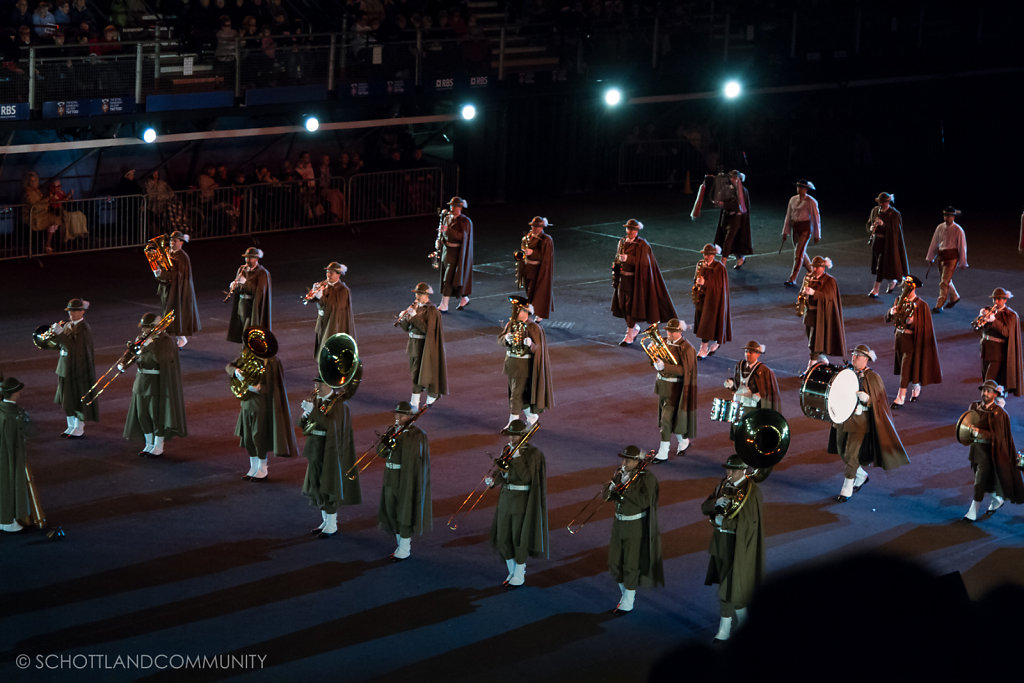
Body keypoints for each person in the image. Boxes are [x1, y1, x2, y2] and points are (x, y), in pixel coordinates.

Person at [701, 454, 768, 642]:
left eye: (733, 470)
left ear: (744, 470)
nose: (729, 473)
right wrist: (716, 504)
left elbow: (749, 525)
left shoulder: (752, 492)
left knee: (727, 589)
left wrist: (723, 521)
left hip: (739, 547)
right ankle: (746, 620)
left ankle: (724, 629)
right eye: (727, 469)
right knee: (728, 585)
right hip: (720, 543)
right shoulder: (722, 485)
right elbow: (704, 507)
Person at [829, 344, 909, 501]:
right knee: (841, 451)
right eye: (853, 355)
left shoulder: (873, 378)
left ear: (866, 359)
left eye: (857, 356)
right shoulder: (847, 372)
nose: (854, 358)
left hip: (860, 421)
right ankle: (861, 476)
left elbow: (880, 402)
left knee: (851, 454)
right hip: (843, 418)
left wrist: (868, 400)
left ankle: (847, 488)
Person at [227, 328, 298, 481]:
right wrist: (236, 371)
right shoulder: (247, 354)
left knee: (258, 436)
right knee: (248, 437)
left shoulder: (271, 361)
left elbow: (275, 386)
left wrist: (257, 389)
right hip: (246, 402)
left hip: (260, 403)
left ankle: (263, 468)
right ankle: (253, 467)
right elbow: (229, 366)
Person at [488, 419, 548, 587]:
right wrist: (494, 481)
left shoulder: (533, 454)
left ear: (523, 436)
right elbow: (502, 470)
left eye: (514, 436)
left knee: (518, 537)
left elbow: (527, 477)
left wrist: (517, 458)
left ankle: (519, 573)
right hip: (506, 497)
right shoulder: (507, 449)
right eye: (510, 435)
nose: (511, 439)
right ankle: (512, 570)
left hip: (522, 499)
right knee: (502, 537)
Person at [299, 377, 358, 538]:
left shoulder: (339, 404)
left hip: (329, 450)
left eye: (320, 383)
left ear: (329, 384)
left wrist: (313, 412)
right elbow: (303, 426)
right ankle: (325, 520)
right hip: (314, 448)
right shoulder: (317, 400)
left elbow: (330, 426)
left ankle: (332, 524)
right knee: (317, 484)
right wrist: (305, 416)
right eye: (315, 383)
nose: (316, 387)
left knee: (328, 485)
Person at [607, 445, 663, 613]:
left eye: (628, 460)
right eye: (623, 459)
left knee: (630, 563)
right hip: (619, 523)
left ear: (637, 461)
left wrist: (625, 490)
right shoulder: (620, 473)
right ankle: (625, 594)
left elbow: (645, 501)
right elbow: (605, 494)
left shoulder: (647, 478)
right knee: (614, 563)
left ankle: (628, 601)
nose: (624, 463)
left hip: (635, 525)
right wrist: (610, 490)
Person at [123, 313, 187, 457]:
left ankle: (158, 446)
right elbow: (133, 354)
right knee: (142, 415)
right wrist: (124, 363)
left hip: (156, 382)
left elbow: (161, 359)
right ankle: (149, 443)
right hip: (141, 381)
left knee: (156, 415)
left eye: (147, 328)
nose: (144, 331)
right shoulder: (142, 339)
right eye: (143, 327)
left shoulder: (165, 340)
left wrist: (150, 345)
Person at [961, 380, 1024, 522]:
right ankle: (996, 500)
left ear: (995, 394)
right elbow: (966, 422)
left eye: (989, 391)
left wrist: (980, 433)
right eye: (984, 390)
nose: (985, 393)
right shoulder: (974, 406)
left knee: (979, 482)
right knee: (986, 480)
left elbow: (999, 436)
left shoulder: (999, 414)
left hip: (990, 454)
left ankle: (973, 511)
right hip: (976, 451)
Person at [377, 401, 431, 560]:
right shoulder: (392, 430)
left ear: (410, 417)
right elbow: (380, 453)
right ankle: (400, 544)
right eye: (397, 414)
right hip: (390, 476)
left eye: (401, 415)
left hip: (404, 478)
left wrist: (398, 442)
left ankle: (405, 548)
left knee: (404, 512)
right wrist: (386, 444)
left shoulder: (417, 434)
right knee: (391, 509)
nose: (397, 417)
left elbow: (414, 457)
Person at [611, 219, 677, 346]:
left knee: (630, 306)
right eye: (628, 229)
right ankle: (634, 328)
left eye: (633, 229)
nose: (630, 231)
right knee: (622, 306)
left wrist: (629, 259)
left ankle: (629, 333)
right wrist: (616, 271)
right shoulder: (622, 242)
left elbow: (645, 263)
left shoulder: (642, 245)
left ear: (637, 231)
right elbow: (617, 258)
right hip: (622, 280)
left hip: (634, 281)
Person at [498, 296, 554, 434]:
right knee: (517, 393)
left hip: (523, 366)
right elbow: (500, 339)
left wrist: (531, 345)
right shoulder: (511, 324)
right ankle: (531, 417)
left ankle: (513, 422)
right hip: (511, 364)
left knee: (516, 395)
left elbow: (539, 349)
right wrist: (506, 338)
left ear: (525, 312)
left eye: (517, 310)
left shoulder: (534, 327)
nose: (515, 313)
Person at [884, 276, 942, 408]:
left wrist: (912, 321)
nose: (904, 289)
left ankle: (901, 397)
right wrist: (891, 312)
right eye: (904, 286)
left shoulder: (922, 305)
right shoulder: (898, 300)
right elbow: (888, 319)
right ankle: (916, 383)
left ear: (914, 287)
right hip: (899, 339)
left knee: (905, 368)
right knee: (904, 366)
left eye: (907, 287)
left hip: (911, 342)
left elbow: (923, 326)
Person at [50, 298, 98, 438]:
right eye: (70, 311)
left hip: (77, 367)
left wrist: (60, 335)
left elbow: (75, 348)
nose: (72, 313)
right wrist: (52, 337)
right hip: (65, 366)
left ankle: (79, 427)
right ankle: (70, 425)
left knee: (77, 397)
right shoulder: (68, 325)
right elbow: (61, 345)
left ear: (82, 312)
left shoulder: (84, 328)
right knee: (67, 398)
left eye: (75, 311)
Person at [395, 282, 447, 410]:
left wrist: (413, 317)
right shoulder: (415, 306)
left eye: (420, 294)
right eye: (417, 293)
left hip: (423, 346)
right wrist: (403, 319)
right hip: (412, 344)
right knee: (416, 372)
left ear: (426, 295)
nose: (417, 296)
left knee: (417, 373)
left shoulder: (432, 310)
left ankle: (415, 402)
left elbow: (427, 330)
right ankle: (430, 394)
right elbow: (407, 328)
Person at [650, 318, 697, 460]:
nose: (669, 333)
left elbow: (686, 371)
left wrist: (665, 367)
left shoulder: (687, 348)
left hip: (675, 388)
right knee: (671, 417)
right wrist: (653, 357)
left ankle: (663, 452)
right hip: (662, 385)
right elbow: (654, 360)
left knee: (665, 419)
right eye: (668, 330)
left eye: (673, 331)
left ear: (680, 332)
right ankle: (683, 441)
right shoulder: (663, 342)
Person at [724, 341, 782, 441]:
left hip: (751, 407)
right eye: (746, 351)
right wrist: (731, 384)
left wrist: (756, 396)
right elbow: (737, 383)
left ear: (758, 354)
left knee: (749, 433)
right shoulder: (740, 365)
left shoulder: (764, 370)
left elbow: (766, 391)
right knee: (737, 431)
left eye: (751, 352)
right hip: (738, 404)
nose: (747, 354)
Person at [799, 255, 847, 373]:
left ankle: (811, 365)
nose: (814, 269)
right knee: (810, 338)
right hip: (809, 313)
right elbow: (803, 292)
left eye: (817, 267)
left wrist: (814, 292)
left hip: (820, 315)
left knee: (814, 340)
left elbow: (829, 297)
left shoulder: (830, 281)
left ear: (823, 267)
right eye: (813, 267)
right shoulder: (809, 277)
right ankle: (821, 357)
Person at [154, 231, 201, 347]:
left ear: (181, 243)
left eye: (175, 241)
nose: (172, 243)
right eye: (171, 240)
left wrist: (161, 274)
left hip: (177, 289)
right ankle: (178, 337)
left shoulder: (183, 257)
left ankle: (177, 338)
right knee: (168, 311)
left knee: (173, 312)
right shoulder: (169, 253)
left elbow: (177, 275)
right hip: (168, 288)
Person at [976, 287, 1022, 397]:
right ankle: (997, 399)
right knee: (987, 379)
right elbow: (977, 327)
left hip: (997, 353)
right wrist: (981, 317)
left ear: (1005, 300)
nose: (996, 302)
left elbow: (1006, 332)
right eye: (995, 299)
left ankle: (993, 401)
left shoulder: (1011, 315)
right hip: (986, 351)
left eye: (999, 299)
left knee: (989, 381)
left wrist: (994, 321)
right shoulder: (989, 310)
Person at [0, 377, 32, 533]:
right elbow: (31, 432)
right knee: (10, 484)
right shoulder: (17, 413)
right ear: (14, 393)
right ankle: (7, 520)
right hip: (11, 454)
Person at [924, 206, 967, 313]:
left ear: (953, 217)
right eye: (945, 215)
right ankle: (955, 297)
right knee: (946, 280)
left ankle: (939, 304)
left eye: (949, 216)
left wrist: (962, 261)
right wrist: (931, 257)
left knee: (944, 282)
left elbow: (962, 246)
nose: (946, 218)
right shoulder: (940, 227)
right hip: (941, 256)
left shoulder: (958, 230)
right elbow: (934, 242)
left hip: (952, 258)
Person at [865, 192, 908, 297]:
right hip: (877, 242)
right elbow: (869, 223)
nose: (882, 204)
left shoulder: (894, 214)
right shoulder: (875, 211)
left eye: (884, 202)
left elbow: (896, 230)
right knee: (880, 265)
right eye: (880, 202)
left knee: (880, 265)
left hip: (888, 244)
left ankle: (876, 289)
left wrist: (883, 225)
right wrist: (871, 228)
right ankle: (892, 281)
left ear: (888, 202)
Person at [310, 261, 356, 359]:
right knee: (320, 347)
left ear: (338, 275)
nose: (328, 275)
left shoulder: (343, 290)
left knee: (327, 348)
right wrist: (313, 294)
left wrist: (320, 298)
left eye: (331, 273)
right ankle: (321, 370)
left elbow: (336, 306)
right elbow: (314, 299)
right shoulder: (324, 284)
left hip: (333, 324)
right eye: (327, 272)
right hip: (322, 321)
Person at [693, 243, 731, 359]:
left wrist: (705, 283)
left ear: (714, 255)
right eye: (705, 254)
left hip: (713, 301)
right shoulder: (700, 264)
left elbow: (719, 286)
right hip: (701, 299)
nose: (706, 257)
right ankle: (712, 343)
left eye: (709, 255)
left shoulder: (719, 268)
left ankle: (703, 348)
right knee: (703, 323)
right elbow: (696, 278)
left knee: (707, 323)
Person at [226, 247, 272, 344]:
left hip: (252, 306)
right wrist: (235, 285)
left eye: (250, 258)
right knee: (242, 329)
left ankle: (246, 354)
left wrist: (245, 282)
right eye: (246, 258)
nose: (248, 260)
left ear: (256, 259)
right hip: (242, 304)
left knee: (247, 332)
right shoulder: (242, 269)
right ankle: (245, 354)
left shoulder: (262, 273)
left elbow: (259, 291)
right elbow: (238, 285)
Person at [781, 179, 821, 286]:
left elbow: (816, 219)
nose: (800, 189)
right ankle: (813, 273)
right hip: (796, 229)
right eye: (798, 187)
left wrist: (817, 234)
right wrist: (785, 231)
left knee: (798, 254)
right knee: (801, 252)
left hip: (805, 229)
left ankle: (792, 278)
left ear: (806, 189)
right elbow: (788, 216)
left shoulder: (811, 201)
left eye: (802, 187)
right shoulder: (793, 200)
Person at [438, 196, 473, 312]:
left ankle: (444, 304)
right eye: (451, 206)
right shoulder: (447, 218)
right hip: (446, 251)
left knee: (448, 279)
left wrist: (447, 231)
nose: (452, 208)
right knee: (450, 277)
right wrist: (440, 240)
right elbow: (443, 234)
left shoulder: (465, 221)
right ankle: (464, 298)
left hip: (456, 254)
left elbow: (462, 237)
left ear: (460, 208)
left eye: (455, 206)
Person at [712, 170, 753, 269]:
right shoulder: (727, 189)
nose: (733, 180)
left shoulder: (743, 190)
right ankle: (740, 257)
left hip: (736, 218)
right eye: (732, 178)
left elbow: (738, 205)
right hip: (727, 217)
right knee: (732, 238)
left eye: (735, 178)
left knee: (729, 238)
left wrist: (724, 204)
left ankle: (723, 261)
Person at [518, 216, 555, 320]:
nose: (534, 229)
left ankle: (537, 312)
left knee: (536, 290)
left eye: (537, 227)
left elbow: (545, 255)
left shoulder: (546, 239)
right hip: (528, 267)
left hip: (537, 269)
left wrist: (533, 252)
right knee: (528, 288)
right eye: (533, 226)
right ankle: (531, 307)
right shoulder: (529, 236)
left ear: (542, 227)